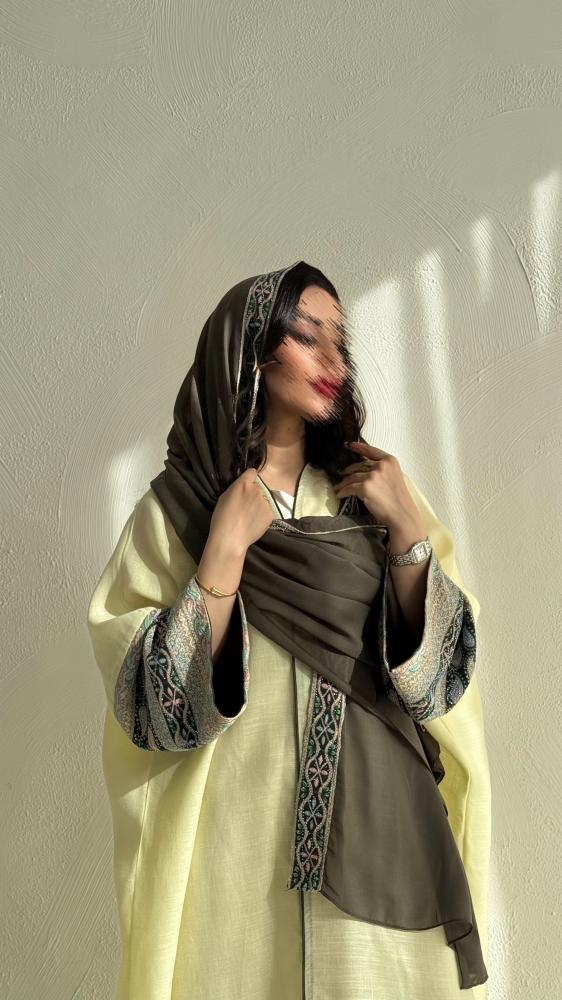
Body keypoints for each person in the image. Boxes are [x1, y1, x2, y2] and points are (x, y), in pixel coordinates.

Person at [87, 260, 491, 999]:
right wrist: (223, 549)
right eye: (308, 337)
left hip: (382, 841)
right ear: (250, 350)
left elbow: (441, 684)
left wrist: (407, 533)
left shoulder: (373, 497)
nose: (334, 360)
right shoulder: (179, 511)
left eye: (341, 341)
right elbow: (149, 708)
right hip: (236, 846)